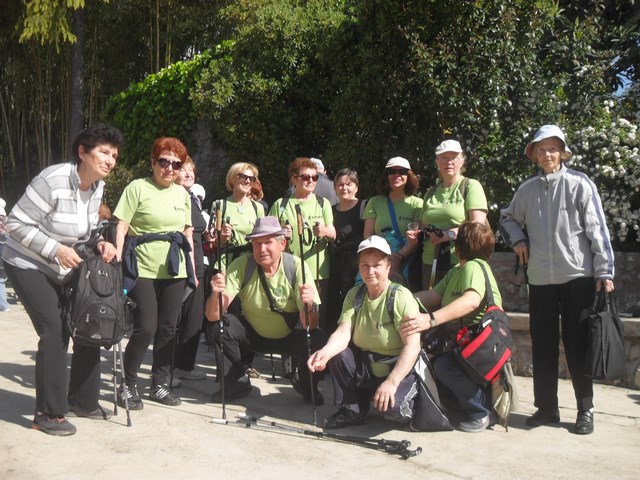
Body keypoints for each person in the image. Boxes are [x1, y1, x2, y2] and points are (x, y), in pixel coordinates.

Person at [1, 123, 122, 435]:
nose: (110, 161)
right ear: (82, 152)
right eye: (104, 153)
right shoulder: (53, 179)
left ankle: (83, 401)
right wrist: (55, 249)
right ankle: (48, 414)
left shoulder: (96, 187)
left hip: (63, 266)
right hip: (26, 262)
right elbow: (16, 224)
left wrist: (101, 243)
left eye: (114, 156)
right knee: (54, 330)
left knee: (88, 321)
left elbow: (87, 232)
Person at [499, 124, 615, 435]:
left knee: (578, 345)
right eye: (541, 149)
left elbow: (597, 229)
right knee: (543, 345)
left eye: (552, 148)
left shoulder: (580, 184)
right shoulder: (527, 190)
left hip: (578, 276)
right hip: (540, 280)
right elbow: (506, 217)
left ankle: (585, 409)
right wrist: (517, 239)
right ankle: (547, 408)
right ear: (534, 155)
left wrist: (604, 270)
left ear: (562, 153)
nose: (547, 154)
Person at [206, 216, 325, 404]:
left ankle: (306, 383)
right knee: (219, 327)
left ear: (282, 244)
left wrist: (309, 304)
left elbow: (309, 324)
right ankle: (236, 382)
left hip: (289, 336)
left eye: (268, 242)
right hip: (253, 334)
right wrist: (215, 294)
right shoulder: (242, 265)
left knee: (317, 337)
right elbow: (213, 315)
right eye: (256, 243)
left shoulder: (296, 266)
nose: (261, 249)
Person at [114, 137, 196, 410]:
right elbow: (122, 226)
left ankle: (159, 384)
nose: (170, 168)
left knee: (169, 328)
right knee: (146, 327)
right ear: (153, 162)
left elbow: (187, 233)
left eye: (176, 164)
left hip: (175, 269)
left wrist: (192, 270)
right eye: (164, 162)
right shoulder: (137, 188)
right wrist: (117, 258)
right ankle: (127, 384)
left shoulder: (182, 194)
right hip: (142, 267)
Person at [307, 235, 421, 429]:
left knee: (392, 411)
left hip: (398, 369)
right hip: (367, 367)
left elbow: (413, 346)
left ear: (388, 266)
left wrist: (392, 382)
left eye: (376, 265)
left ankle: (412, 400)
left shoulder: (400, 296)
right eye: (365, 265)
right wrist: (325, 352)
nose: (370, 271)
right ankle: (352, 409)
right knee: (338, 355)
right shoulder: (355, 294)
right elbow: (343, 332)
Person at [402, 221, 501, 433]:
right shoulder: (458, 270)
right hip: (470, 344)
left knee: (444, 366)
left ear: (461, 245)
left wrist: (431, 319)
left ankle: (481, 412)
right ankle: (466, 405)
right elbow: (432, 296)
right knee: (436, 362)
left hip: (480, 346)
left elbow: (471, 301)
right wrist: (399, 299)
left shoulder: (474, 266)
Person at [407, 140, 488, 288]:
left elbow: (478, 226)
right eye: (444, 158)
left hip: (460, 261)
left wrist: (447, 235)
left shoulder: (470, 186)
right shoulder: (430, 193)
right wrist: (416, 234)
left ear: (461, 161)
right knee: (429, 301)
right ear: (437, 162)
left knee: (457, 303)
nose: (449, 162)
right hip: (429, 262)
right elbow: (423, 225)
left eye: (453, 158)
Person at [270, 157, 335, 331]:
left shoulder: (323, 203)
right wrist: (281, 234)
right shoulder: (281, 205)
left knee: (316, 317)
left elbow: (333, 233)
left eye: (314, 177)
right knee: (290, 315)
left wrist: (324, 231)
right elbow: (268, 237)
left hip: (317, 271)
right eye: (305, 177)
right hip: (288, 270)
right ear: (294, 178)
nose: (310, 181)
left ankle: (315, 347)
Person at [172, 157, 208, 384]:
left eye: (191, 170)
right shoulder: (174, 197)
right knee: (174, 320)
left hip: (197, 264)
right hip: (180, 265)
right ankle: (166, 371)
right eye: (183, 169)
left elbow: (197, 229)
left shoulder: (192, 197)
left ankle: (185, 365)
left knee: (193, 319)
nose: (188, 173)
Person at [363, 156, 422, 287]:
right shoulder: (374, 202)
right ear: (386, 176)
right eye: (392, 172)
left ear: (409, 176)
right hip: (378, 259)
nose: (397, 175)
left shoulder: (418, 204)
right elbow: (367, 235)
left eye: (402, 172)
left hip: (406, 262)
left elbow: (416, 238)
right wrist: (380, 256)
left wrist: (399, 256)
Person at [326, 168, 366, 335]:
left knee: (351, 302)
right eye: (340, 185)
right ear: (335, 188)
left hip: (355, 265)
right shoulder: (330, 210)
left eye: (348, 184)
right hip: (333, 264)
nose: (344, 188)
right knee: (332, 303)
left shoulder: (363, 207)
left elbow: (366, 236)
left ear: (356, 186)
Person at [211, 162, 265, 271]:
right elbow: (214, 243)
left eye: (251, 179)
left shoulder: (258, 208)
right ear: (233, 178)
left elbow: (263, 238)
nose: (247, 181)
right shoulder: (220, 205)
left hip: (251, 265)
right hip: (226, 266)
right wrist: (222, 236)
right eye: (243, 177)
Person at [0, 198, 10, 312]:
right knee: (1, 280)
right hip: (6, 256)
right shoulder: (7, 223)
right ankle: (3, 305)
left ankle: (3, 305)